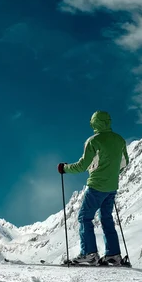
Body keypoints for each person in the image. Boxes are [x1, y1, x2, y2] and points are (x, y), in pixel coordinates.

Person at [58, 111, 129, 266]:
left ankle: (89, 254)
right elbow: (124, 163)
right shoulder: (119, 140)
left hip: (97, 186)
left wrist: (65, 168)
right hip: (112, 187)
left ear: (94, 123)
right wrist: (111, 173)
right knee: (106, 218)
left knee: (85, 217)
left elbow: (82, 165)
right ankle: (113, 255)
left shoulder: (93, 141)